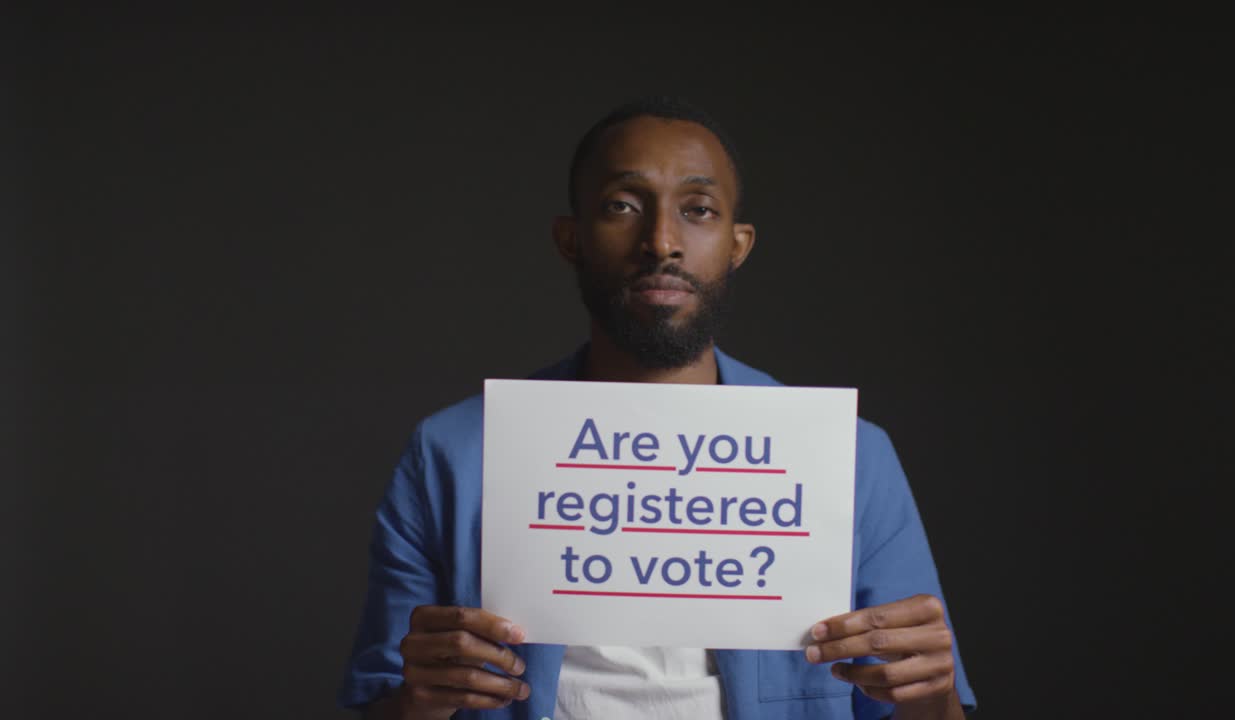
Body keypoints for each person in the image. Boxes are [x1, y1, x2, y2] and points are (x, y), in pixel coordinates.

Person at [339, 97, 977, 720]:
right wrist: (419, 702)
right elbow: (387, 705)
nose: (662, 241)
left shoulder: (850, 456)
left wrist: (930, 696)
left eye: (698, 209)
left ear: (738, 243)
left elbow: (922, 706)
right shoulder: (451, 454)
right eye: (622, 206)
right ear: (571, 238)